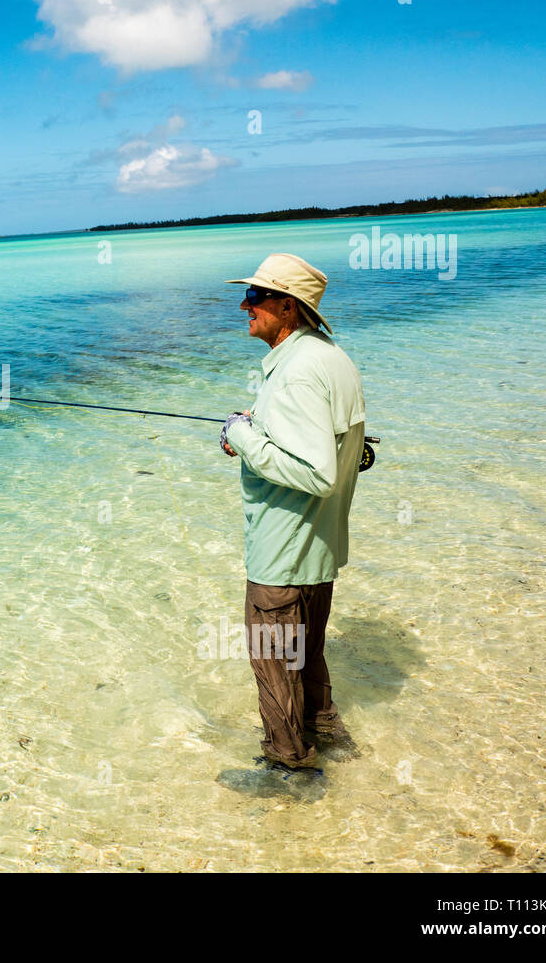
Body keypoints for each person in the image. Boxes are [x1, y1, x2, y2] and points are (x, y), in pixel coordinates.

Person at [219, 253, 365, 769]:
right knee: (306, 657)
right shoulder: (332, 358)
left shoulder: (297, 373)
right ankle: (327, 735)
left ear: (288, 306)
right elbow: (354, 451)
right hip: (318, 552)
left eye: (257, 297)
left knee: (274, 665)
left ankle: (289, 769)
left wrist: (238, 433)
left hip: (281, 555)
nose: (245, 305)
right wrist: (257, 425)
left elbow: (317, 474)